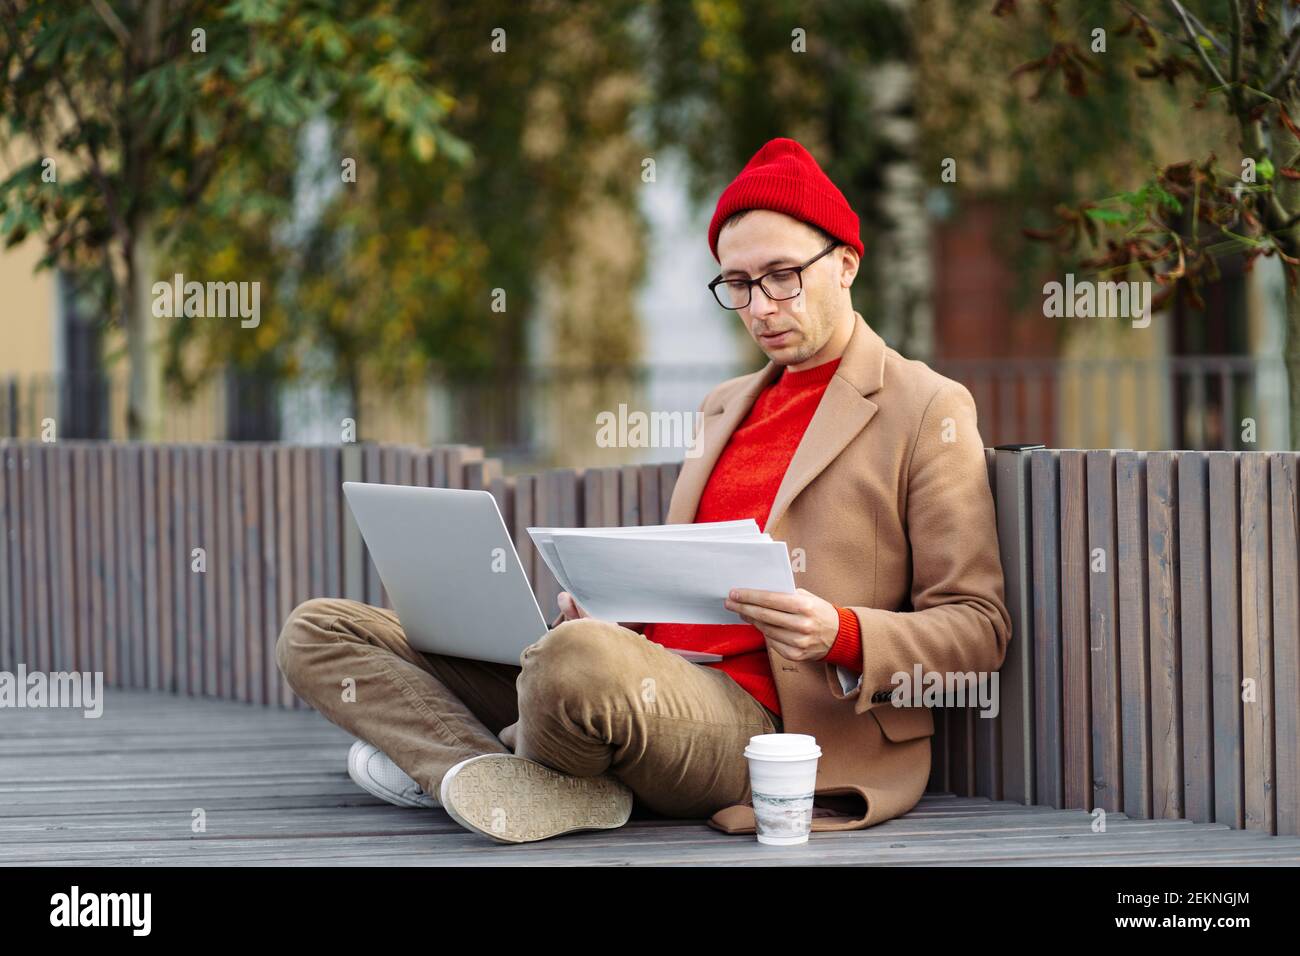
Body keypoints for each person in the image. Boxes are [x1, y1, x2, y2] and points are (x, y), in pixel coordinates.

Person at [275, 137, 1011, 845]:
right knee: (319, 629)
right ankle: (480, 770)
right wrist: (615, 611)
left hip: (779, 725)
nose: (759, 306)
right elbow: (684, 601)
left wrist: (841, 633)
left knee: (574, 663)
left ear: (846, 263)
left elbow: (978, 628)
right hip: (642, 685)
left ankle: (471, 760)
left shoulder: (926, 406)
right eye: (738, 285)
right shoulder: (726, 405)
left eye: (782, 275)